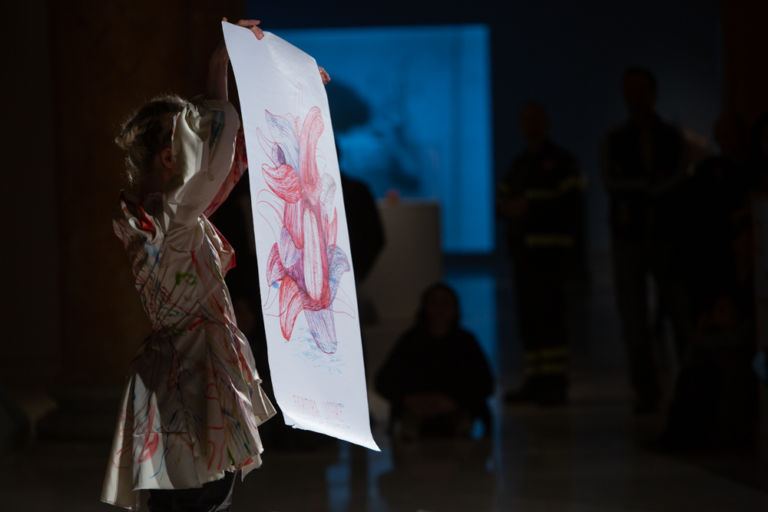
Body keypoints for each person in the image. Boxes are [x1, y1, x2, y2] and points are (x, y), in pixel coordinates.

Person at [102, 19, 331, 511]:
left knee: (198, 495)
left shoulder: (165, 215)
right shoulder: (171, 219)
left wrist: (231, 71)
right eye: (193, 143)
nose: (206, 152)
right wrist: (222, 67)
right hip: (187, 377)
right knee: (198, 498)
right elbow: (225, 148)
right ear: (169, 158)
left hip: (182, 370)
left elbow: (229, 156)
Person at [602, 68, 689, 414]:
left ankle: (688, 387)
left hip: (667, 238)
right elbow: (614, 182)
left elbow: (677, 180)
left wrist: (644, 188)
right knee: (634, 322)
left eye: (641, 91)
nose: (636, 99)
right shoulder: (616, 139)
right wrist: (649, 187)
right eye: (630, 92)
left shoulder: (671, 137)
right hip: (631, 240)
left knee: (680, 317)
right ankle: (647, 392)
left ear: (653, 93)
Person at [498, 102, 584, 406]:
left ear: (546, 123)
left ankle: (555, 383)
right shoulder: (520, 164)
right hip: (524, 257)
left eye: (535, 119)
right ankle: (535, 381)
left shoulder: (561, 162)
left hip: (551, 256)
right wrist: (506, 208)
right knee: (529, 320)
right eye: (525, 120)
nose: (530, 126)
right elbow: (502, 200)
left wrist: (528, 209)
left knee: (551, 320)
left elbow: (572, 205)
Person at [375, 283, 494, 440]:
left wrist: (455, 401)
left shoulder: (466, 342)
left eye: (445, 303)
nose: (440, 309)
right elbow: (384, 380)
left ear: (454, 308)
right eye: (434, 303)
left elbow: (485, 382)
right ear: (425, 307)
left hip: (457, 412)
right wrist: (410, 400)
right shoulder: (410, 341)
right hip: (414, 414)